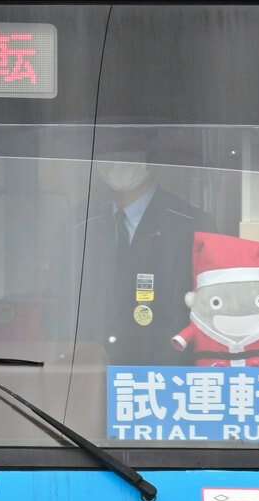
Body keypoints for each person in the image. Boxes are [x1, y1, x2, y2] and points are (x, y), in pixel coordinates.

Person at [80, 132, 206, 364]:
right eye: (108, 156)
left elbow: (208, 315)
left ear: (150, 161)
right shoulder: (82, 226)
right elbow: (62, 311)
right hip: (91, 375)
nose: (117, 164)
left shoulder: (191, 225)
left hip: (162, 377)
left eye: (128, 155)